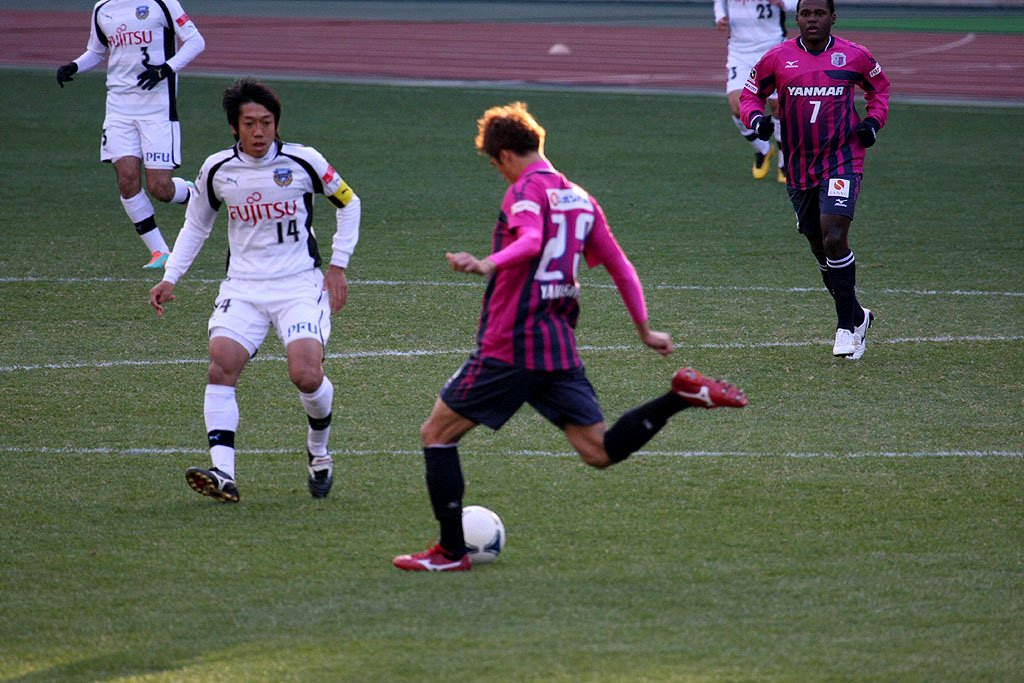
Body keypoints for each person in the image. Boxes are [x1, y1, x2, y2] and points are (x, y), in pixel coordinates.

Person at [393, 102, 748, 572]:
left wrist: (487, 263)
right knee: (598, 451)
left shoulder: (524, 190)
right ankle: (679, 396)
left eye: (496, 165)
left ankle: (450, 552)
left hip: (511, 342)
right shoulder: (581, 199)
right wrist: (645, 329)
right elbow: (620, 266)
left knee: (436, 435)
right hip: (557, 345)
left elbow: (531, 240)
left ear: (504, 156)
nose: (500, 173)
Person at [148, 78, 361, 502]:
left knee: (306, 375)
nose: (259, 131)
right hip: (243, 288)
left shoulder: (305, 161)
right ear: (235, 127)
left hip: (298, 285)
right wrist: (171, 276)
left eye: (266, 122)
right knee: (221, 365)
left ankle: (318, 451)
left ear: (276, 123)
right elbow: (196, 225)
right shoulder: (218, 169)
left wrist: (338, 264)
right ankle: (223, 473)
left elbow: (349, 202)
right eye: (250, 123)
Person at [740, 0, 890, 359]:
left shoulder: (854, 56)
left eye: (819, 14)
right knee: (819, 246)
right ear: (797, 18)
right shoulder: (777, 58)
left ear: (832, 18)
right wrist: (757, 120)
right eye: (806, 14)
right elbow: (749, 95)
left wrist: (872, 122)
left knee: (835, 237)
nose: (812, 20)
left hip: (842, 159)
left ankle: (845, 329)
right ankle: (858, 317)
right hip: (798, 165)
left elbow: (879, 90)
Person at [56, 0, 206, 269]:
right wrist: (74, 66)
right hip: (118, 108)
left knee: (160, 188)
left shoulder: (162, 3)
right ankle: (160, 252)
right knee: (127, 180)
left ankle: (194, 195)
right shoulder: (103, 8)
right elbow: (96, 51)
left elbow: (196, 42)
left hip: (157, 109)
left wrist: (164, 69)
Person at [715, 0, 796, 182]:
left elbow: (801, 4)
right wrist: (720, 15)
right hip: (740, 52)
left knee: (778, 108)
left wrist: (783, 3)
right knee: (738, 107)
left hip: (773, 48)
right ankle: (763, 149)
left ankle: (784, 163)